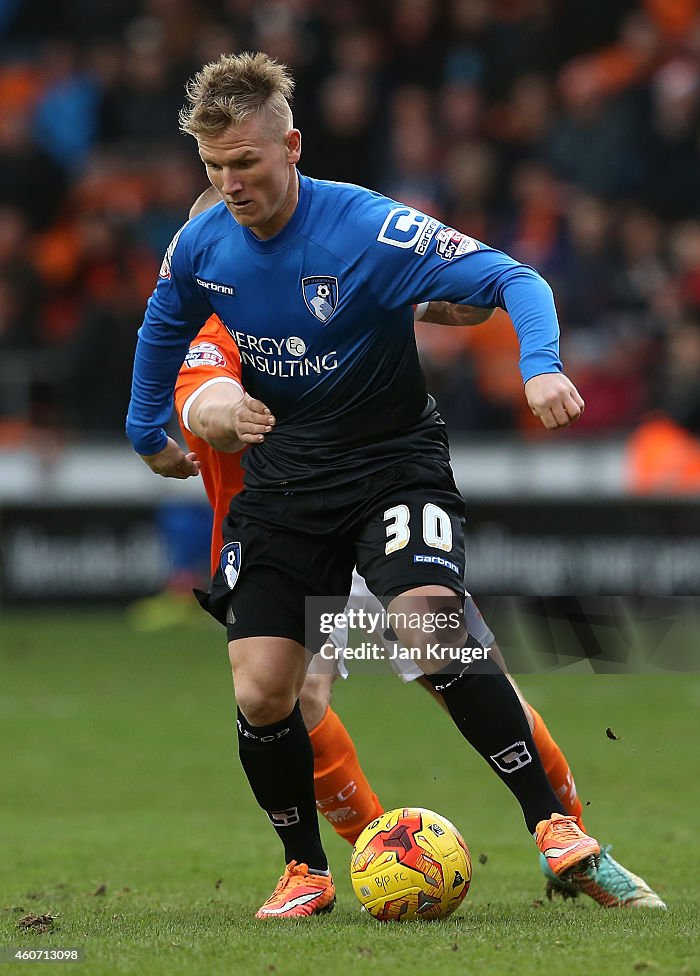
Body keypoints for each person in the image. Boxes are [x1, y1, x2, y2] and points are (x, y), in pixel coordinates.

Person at [126, 51, 613, 919]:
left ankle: (556, 828)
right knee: (265, 688)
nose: (231, 183)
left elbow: (511, 279)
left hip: (390, 467)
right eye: (214, 168)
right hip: (282, 493)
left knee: (434, 633)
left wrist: (538, 365)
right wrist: (152, 427)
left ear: (292, 147)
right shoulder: (200, 253)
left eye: (245, 162)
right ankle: (305, 869)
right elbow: (174, 348)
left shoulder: (366, 229)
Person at [177, 186, 665, 910]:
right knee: (288, 696)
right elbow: (202, 401)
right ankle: (368, 852)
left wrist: (430, 300)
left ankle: (571, 843)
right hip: (286, 521)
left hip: (380, 492)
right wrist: (220, 413)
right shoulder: (206, 335)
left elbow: (456, 297)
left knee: (457, 657)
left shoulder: (325, 284)